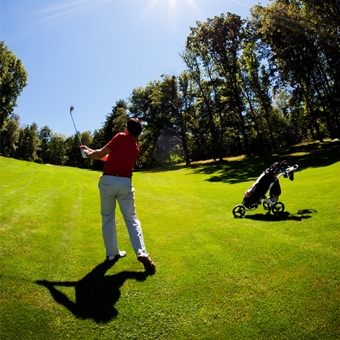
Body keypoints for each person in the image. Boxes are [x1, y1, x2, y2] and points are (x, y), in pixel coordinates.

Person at [80, 118, 155, 273]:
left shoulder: (120, 136)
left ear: (127, 128)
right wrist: (89, 150)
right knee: (131, 219)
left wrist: (87, 154)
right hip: (125, 184)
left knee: (108, 218)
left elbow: (100, 154)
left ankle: (111, 254)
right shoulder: (135, 148)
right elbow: (108, 157)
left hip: (108, 182)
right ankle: (141, 252)